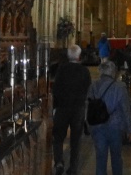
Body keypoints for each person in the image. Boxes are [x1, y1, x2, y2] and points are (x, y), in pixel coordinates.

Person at [87, 60, 131, 175]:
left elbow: (88, 106)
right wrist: (130, 129)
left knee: (100, 159)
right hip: (115, 127)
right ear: (113, 72)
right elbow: (125, 109)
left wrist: (88, 125)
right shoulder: (120, 87)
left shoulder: (93, 86)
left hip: (97, 127)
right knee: (116, 159)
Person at [52, 44, 92, 175]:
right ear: (79, 57)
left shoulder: (61, 69)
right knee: (76, 140)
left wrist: (55, 106)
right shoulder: (84, 71)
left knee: (58, 137)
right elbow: (88, 89)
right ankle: (73, 168)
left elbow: (56, 89)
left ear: (68, 56)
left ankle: (58, 162)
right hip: (78, 109)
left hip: (62, 108)